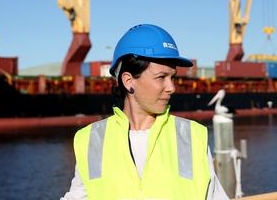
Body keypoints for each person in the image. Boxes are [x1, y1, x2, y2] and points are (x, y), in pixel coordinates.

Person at [61, 24, 229, 200]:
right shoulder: (92, 140)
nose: (171, 87)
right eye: (161, 77)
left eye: (173, 77)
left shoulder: (191, 136)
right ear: (128, 81)